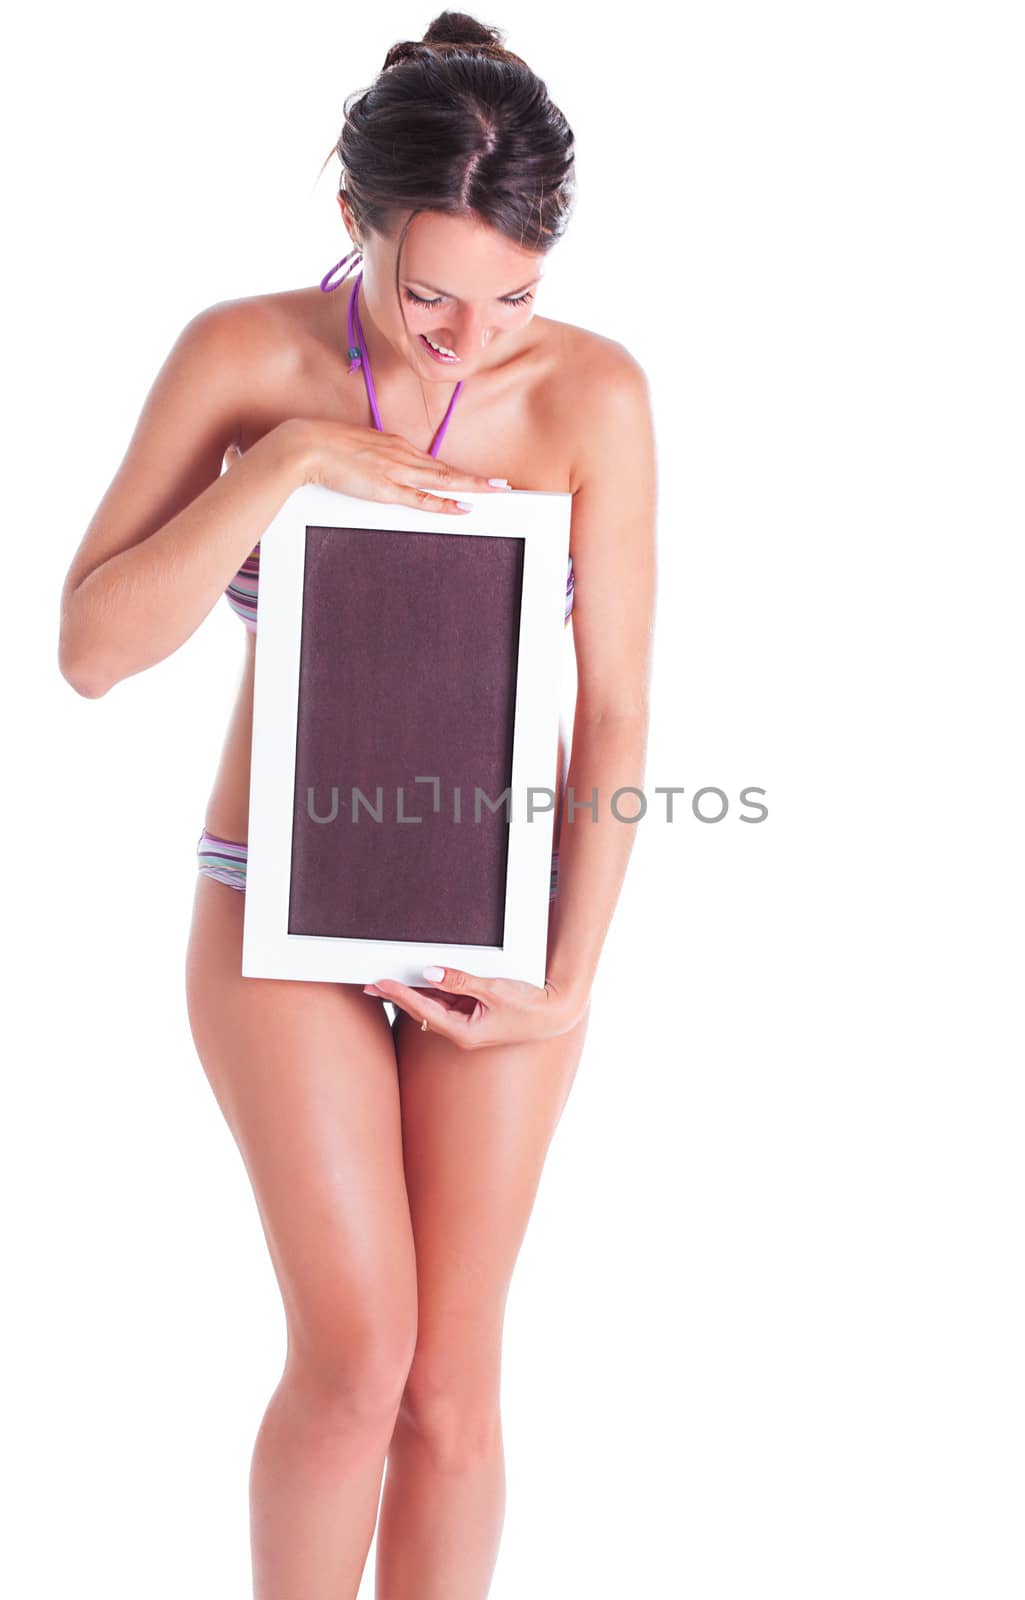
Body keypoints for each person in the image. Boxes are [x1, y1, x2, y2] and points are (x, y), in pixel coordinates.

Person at [57, 11, 656, 1597]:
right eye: (432, 291)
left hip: (502, 924)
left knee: (453, 1394)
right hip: (276, 902)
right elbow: (92, 654)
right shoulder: (244, 354)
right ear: (355, 223)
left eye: (518, 293)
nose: (476, 337)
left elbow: (614, 714)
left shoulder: (595, 394)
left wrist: (566, 985)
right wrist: (286, 465)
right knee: (356, 1361)